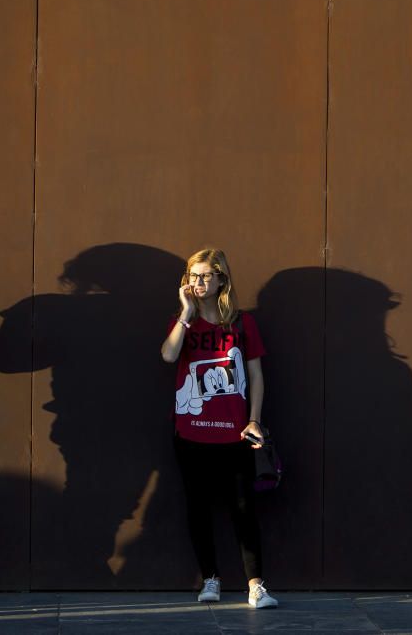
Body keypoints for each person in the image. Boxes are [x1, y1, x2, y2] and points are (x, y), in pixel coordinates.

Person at [161, 248, 278, 609]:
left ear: (221, 279)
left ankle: (256, 585)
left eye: (206, 275)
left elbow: (256, 376)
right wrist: (185, 314)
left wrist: (254, 419)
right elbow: (167, 356)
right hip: (191, 433)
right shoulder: (183, 323)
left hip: (234, 433)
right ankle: (210, 579)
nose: (198, 282)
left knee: (243, 509)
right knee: (198, 508)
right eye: (193, 275)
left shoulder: (242, 323)